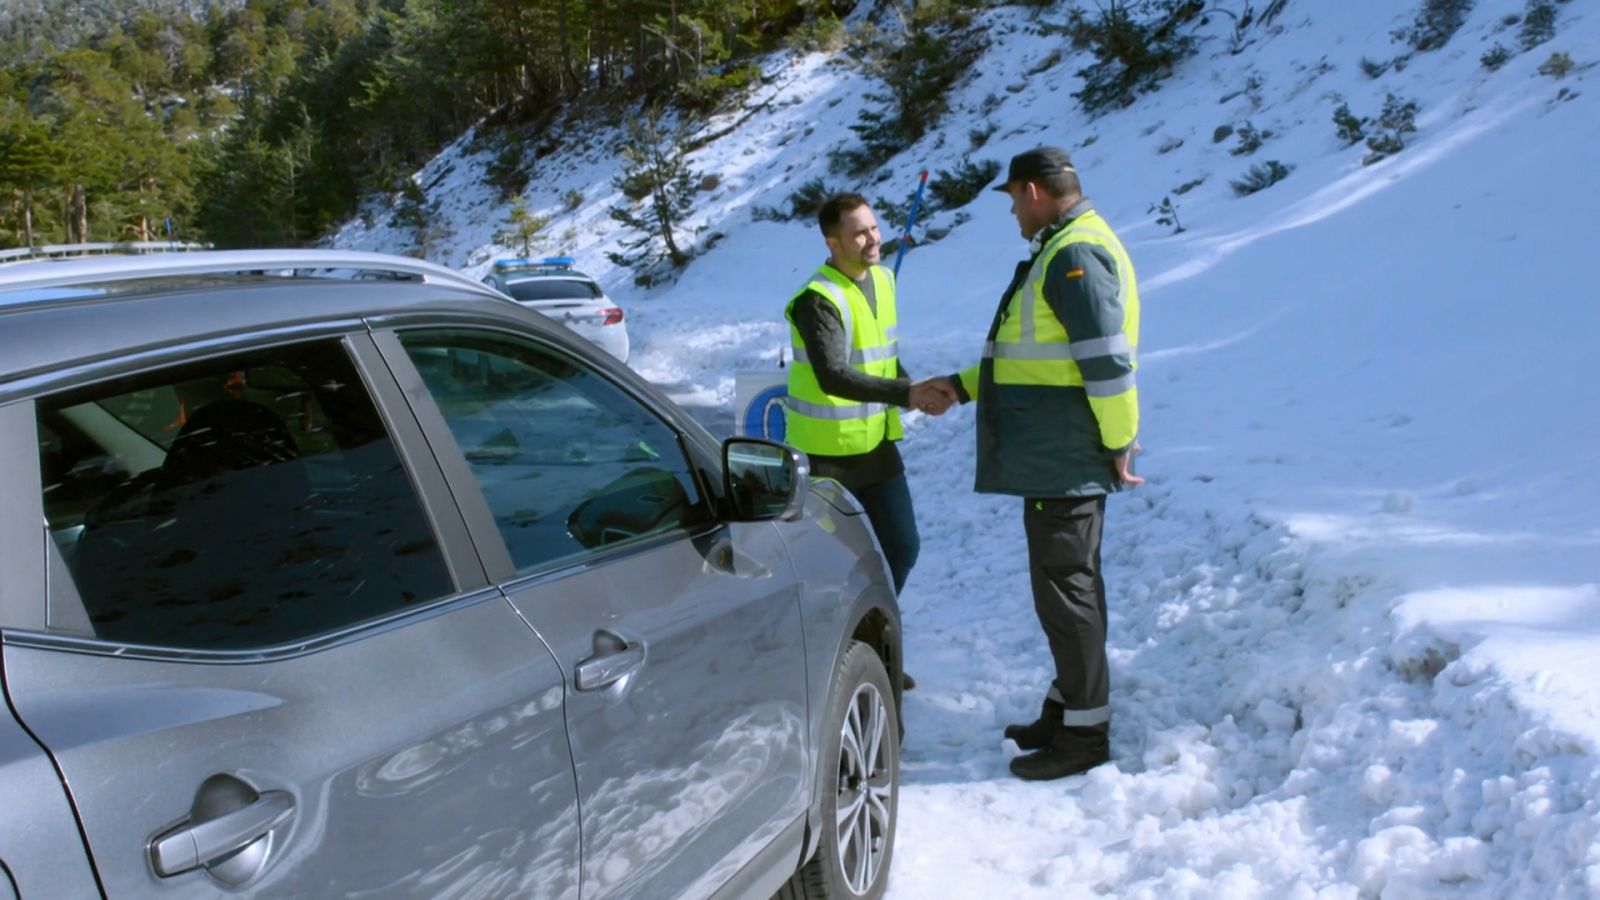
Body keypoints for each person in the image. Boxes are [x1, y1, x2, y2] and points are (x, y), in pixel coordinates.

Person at [931, 147, 1142, 780]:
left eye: (1013, 202)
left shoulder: (1074, 254)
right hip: (1058, 454)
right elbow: (1030, 354)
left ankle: (1085, 736)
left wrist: (1119, 441)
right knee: (1068, 589)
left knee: (1068, 593)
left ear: (1032, 192)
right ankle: (1069, 707)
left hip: (1066, 456)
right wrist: (963, 385)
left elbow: (1106, 362)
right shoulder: (1066, 245)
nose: (1014, 215)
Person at [784, 193, 952, 691]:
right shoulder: (818, 297)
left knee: (901, 546)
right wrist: (906, 392)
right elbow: (834, 376)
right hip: (826, 456)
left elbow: (879, 356)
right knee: (836, 568)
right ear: (833, 242)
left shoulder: (883, 279)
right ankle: (839, 664)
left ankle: (875, 646)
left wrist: (913, 390)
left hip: (875, 446)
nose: (873, 238)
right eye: (859, 232)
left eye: (875, 228)